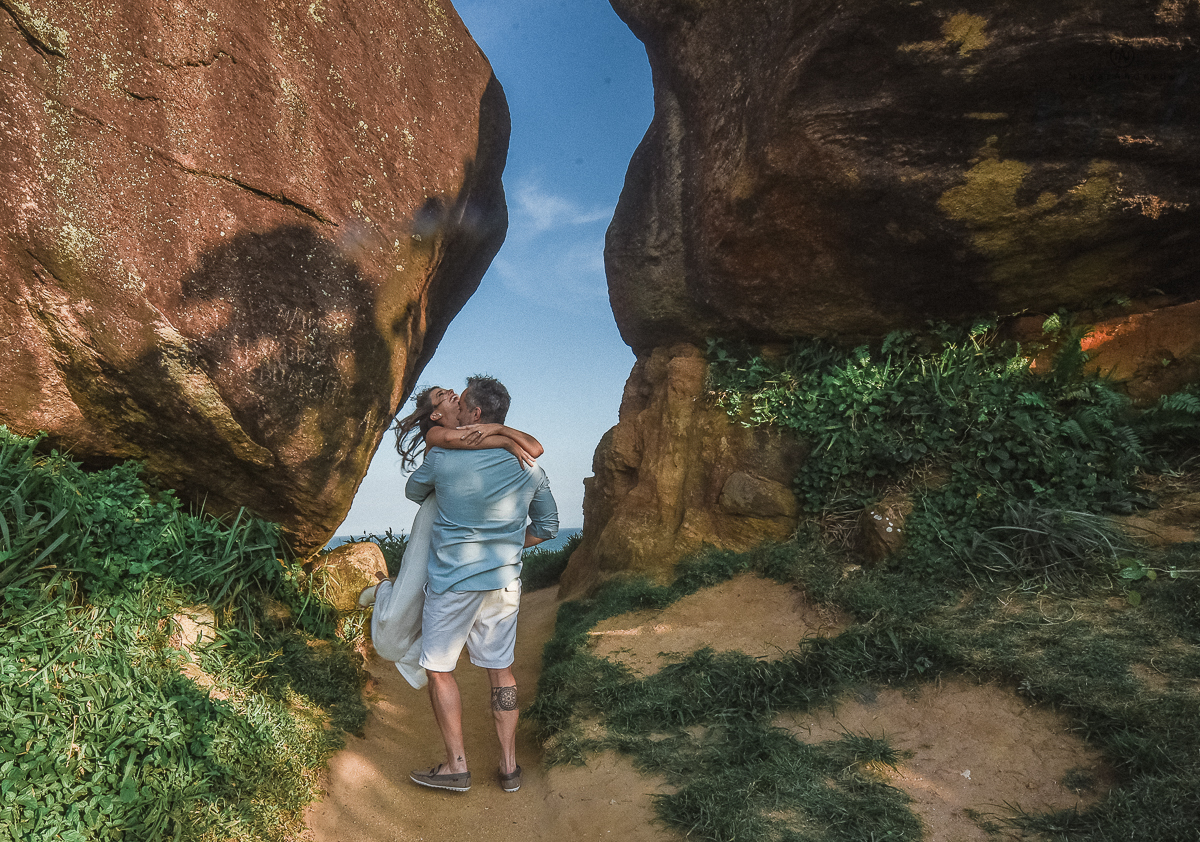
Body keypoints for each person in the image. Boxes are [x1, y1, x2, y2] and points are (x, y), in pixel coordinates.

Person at [405, 375, 558, 795]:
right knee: (500, 671)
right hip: (503, 585)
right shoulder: (531, 467)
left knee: (439, 670)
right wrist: (509, 542)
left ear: (473, 415)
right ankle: (509, 767)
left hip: (453, 582)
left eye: (462, 399)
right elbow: (547, 527)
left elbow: (414, 491)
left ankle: (456, 767)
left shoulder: (441, 457)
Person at [361, 386, 544, 688]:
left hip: (462, 526)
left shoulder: (478, 430)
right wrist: (505, 442)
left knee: (446, 606)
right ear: (435, 414)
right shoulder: (437, 436)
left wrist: (497, 429)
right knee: (404, 607)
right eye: (440, 395)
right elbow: (474, 449)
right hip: (435, 519)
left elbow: (534, 449)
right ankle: (384, 590)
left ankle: (428, 661)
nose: (450, 391)